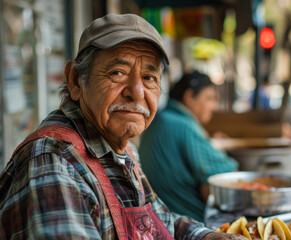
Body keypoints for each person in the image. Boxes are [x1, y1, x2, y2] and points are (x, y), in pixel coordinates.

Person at [0, 14, 247, 240]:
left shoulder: (120, 148)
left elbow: (159, 221)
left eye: (149, 78)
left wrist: (206, 236)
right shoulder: (53, 162)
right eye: (117, 73)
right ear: (75, 80)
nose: (137, 93)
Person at [138, 71, 239, 222]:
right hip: (189, 222)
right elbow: (226, 176)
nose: (214, 106)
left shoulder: (160, 119)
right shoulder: (184, 126)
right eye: (210, 98)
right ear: (190, 96)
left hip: (160, 218)